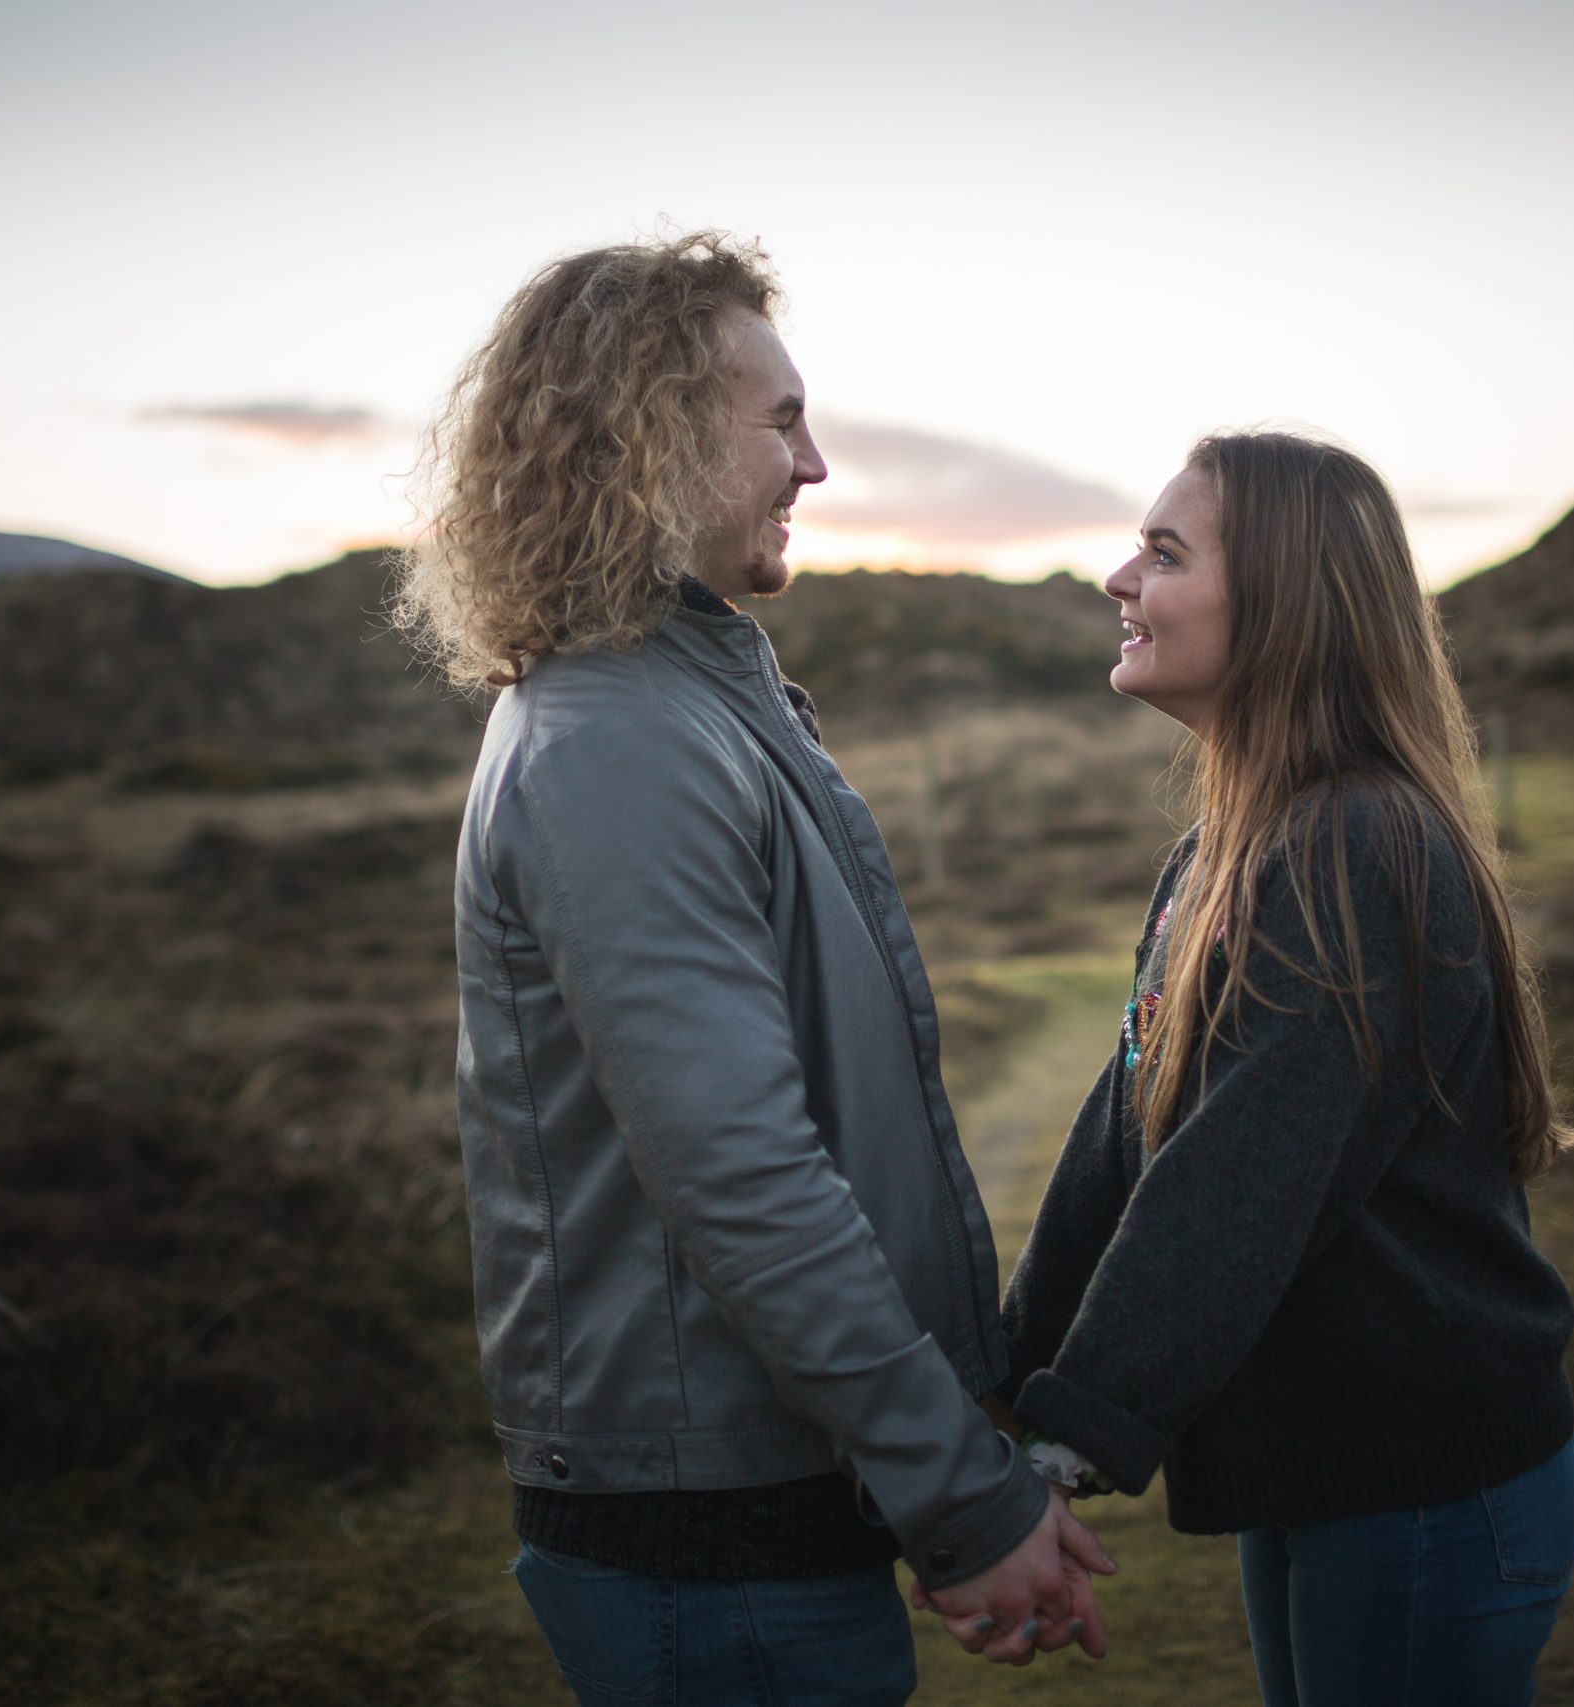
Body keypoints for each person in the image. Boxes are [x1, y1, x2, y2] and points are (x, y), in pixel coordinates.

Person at [393, 231, 1112, 1706]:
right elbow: (745, 1176)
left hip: (759, 1501)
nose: (818, 464)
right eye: (780, 420)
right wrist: (960, 1495)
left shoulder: (694, 703)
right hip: (705, 1543)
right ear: (651, 435)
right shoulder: (620, 745)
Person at [974, 431, 1574, 1705]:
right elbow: (1124, 1133)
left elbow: (1235, 1184)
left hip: (1422, 1481)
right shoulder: (1228, 845)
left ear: (1286, 605)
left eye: (1162, 552)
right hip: (1325, 1468)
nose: (1116, 580)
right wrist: (1004, 1393)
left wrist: (1060, 1456)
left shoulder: (1353, 844)